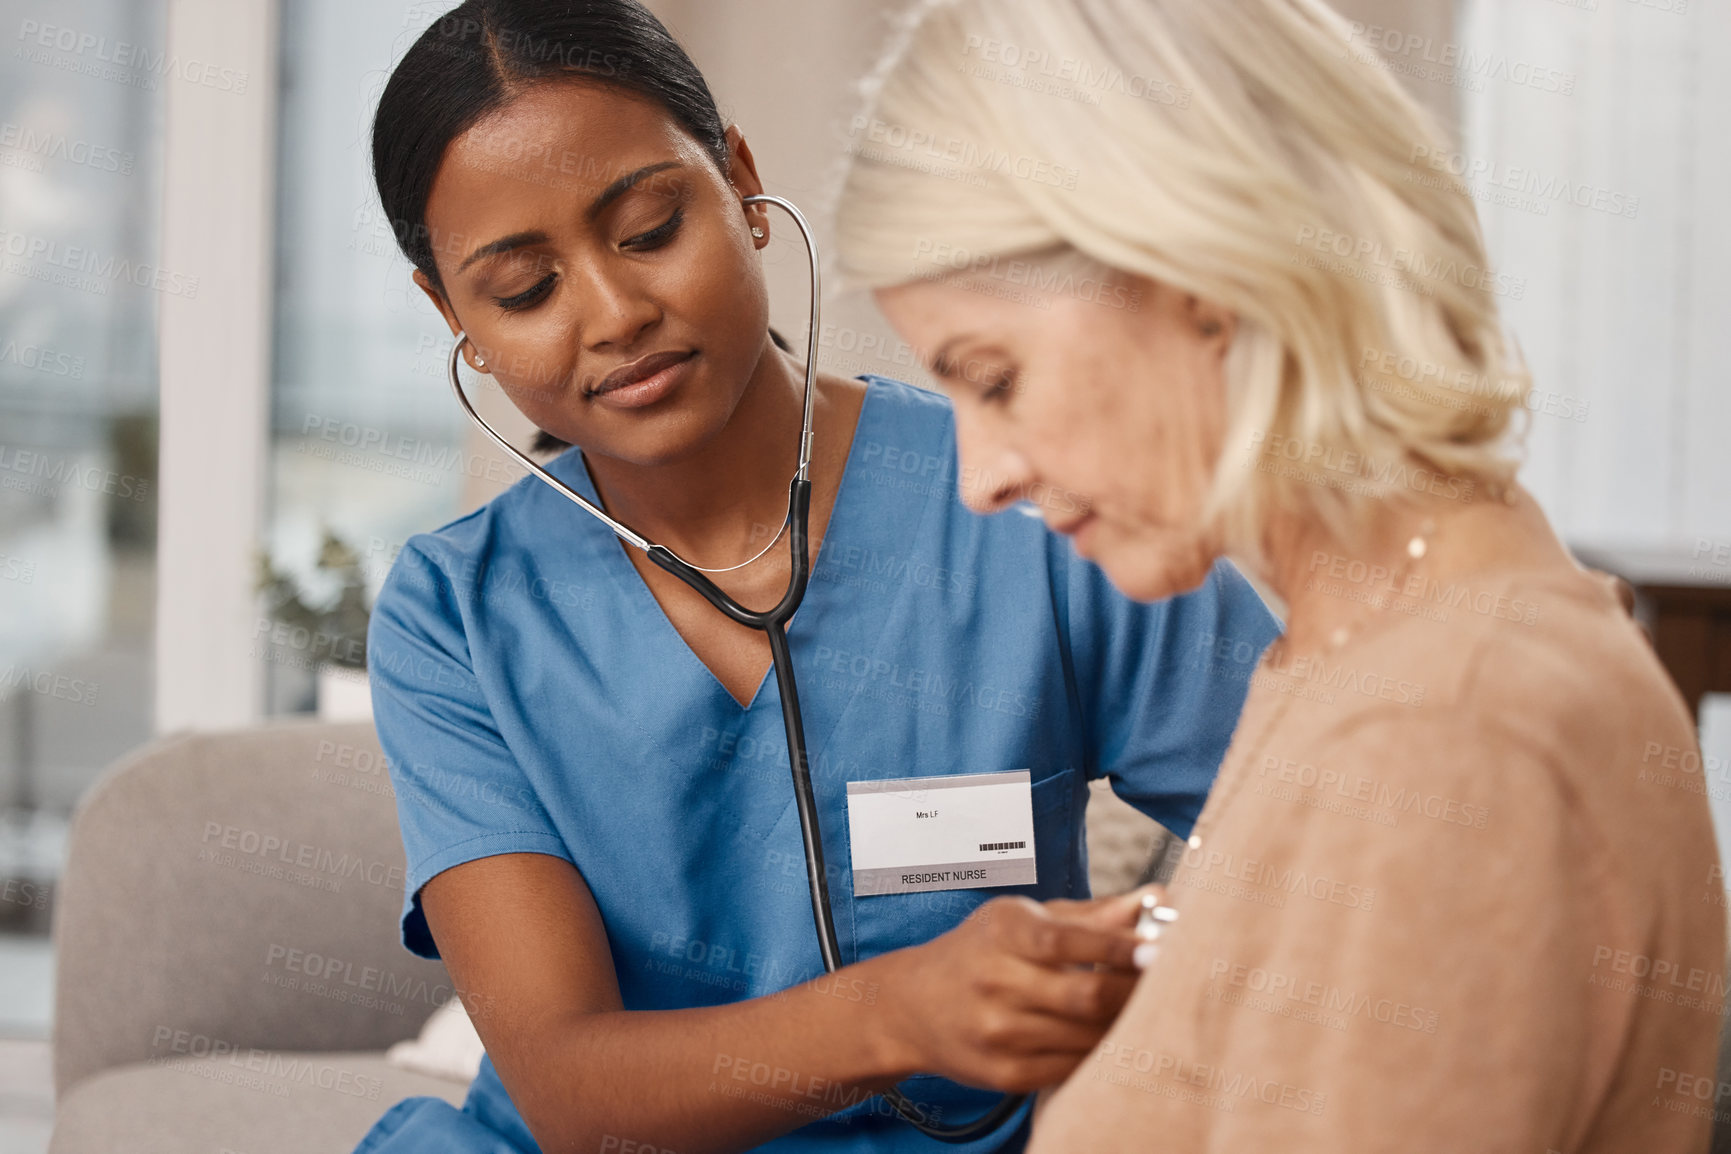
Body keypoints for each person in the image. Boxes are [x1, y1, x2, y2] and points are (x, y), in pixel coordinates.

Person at [353, 3, 1280, 1152]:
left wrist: (1163, 975)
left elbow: (1333, 810)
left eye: (647, 228)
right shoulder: (455, 615)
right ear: (455, 316)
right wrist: (900, 1010)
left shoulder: (1027, 494)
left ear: (740, 182)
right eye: (525, 291)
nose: (615, 312)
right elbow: (573, 1091)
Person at [832, 0, 1726, 1150]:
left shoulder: (1448, 728)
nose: (980, 478)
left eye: (995, 379)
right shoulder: (1359, 644)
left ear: (1204, 274)